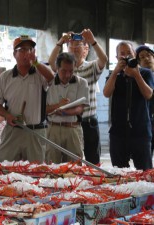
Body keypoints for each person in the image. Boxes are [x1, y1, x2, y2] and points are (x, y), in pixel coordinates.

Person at [48, 28, 108, 165]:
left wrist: (92, 41)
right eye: (71, 45)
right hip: (70, 123)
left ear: (86, 50)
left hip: (88, 121)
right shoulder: (64, 69)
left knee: (93, 161)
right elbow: (51, 62)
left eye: (78, 46)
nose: (74, 48)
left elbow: (103, 59)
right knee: (69, 161)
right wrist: (60, 42)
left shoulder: (92, 67)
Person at [0, 35, 54, 163]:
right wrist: (7, 115)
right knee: (4, 166)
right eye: (22, 50)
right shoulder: (5, 77)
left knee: (36, 171)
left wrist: (36, 62)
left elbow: (51, 77)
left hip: (35, 131)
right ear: (14, 54)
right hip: (13, 130)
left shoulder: (39, 74)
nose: (27, 53)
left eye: (30, 49)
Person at [103, 41, 154, 171]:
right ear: (117, 58)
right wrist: (115, 72)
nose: (126, 57)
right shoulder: (114, 75)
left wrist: (136, 74)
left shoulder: (145, 73)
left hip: (140, 131)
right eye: (122, 54)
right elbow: (106, 93)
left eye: (129, 54)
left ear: (134, 55)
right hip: (118, 132)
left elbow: (148, 94)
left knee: (145, 172)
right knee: (119, 174)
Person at [46, 52, 89, 164]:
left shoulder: (82, 83)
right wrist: (58, 106)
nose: (67, 75)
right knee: (51, 167)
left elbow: (80, 109)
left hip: (73, 129)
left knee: (74, 168)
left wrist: (65, 113)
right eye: (64, 71)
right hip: (53, 129)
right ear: (57, 68)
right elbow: (43, 110)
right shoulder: (48, 84)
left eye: (71, 71)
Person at [135, 45, 154, 157]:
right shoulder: (138, 79)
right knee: (146, 159)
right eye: (142, 57)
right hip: (146, 124)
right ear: (138, 62)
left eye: (149, 55)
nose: (147, 58)